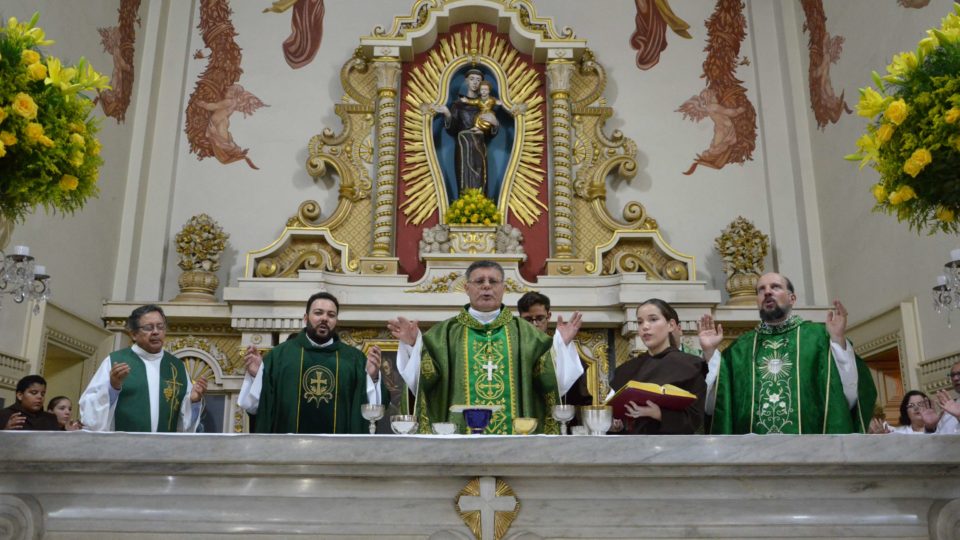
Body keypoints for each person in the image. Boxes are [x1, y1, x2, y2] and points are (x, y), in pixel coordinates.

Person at [388, 261, 583, 434]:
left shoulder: (527, 334)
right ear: (466, 288)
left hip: (515, 440)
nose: (486, 286)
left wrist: (560, 346)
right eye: (479, 281)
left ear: (503, 288)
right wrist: (413, 346)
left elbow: (550, 382)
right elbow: (424, 382)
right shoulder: (444, 334)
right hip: (459, 437)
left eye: (493, 281)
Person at [700, 272, 877, 434]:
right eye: (761, 290)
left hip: (812, 451)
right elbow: (716, 406)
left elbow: (849, 395)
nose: (767, 292)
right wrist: (710, 353)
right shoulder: (740, 349)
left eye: (775, 287)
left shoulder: (818, 338)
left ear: (792, 298)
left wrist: (838, 340)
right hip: (754, 455)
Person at [238, 291, 389, 434]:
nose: (324, 318)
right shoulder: (279, 356)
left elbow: (372, 411)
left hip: (339, 453)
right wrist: (256, 376)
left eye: (331, 315)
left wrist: (372, 377)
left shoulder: (354, 359)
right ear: (306, 318)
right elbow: (256, 406)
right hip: (287, 452)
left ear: (336, 321)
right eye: (318, 313)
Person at [80, 305, 207, 432]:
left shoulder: (176, 367)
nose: (156, 332)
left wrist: (194, 401)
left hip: (164, 448)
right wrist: (112, 387)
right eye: (148, 327)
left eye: (160, 326)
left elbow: (184, 424)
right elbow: (90, 413)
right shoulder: (115, 361)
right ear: (134, 334)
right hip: (124, 447)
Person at [609, 299, 706, 434]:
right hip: (629, 448)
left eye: (653, 319)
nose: (645, 327)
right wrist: (615, 425)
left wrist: (658, 414)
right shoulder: (626, 369)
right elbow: (616, 415)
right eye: (640, 322)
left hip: (671, 449)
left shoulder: (689, 365)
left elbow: (694, 418)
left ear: (671, 325)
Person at [434, 69, 500, 195]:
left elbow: (491, 131)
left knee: (480, 173)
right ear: (466, 81)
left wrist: (495, 123)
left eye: (478, 80)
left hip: (479, 142)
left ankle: (480, 202)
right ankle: (465, 203)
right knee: (464, 174)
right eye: (472, 79)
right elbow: (452, 128)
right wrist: (447, 114)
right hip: (463, 143)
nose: (475, 83)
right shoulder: (458, 104)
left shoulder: (485, 104)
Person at [868, 391, 937, 434]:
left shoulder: (941, 426)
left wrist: (931, 427)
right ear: (905, 411)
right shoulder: (896, 433)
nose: (916, 408)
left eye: (920, 404)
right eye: (911, 405)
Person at [928, 360, 960, 434]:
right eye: (952, 375)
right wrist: (930, 427)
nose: (955, 378)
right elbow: (937, 440)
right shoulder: (948, 410)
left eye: (959, 374)